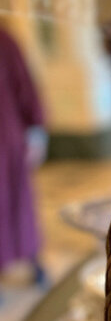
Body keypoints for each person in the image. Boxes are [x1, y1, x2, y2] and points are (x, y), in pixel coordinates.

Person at [0, 27, 46, 288]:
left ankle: (34, 261)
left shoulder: (3, 40)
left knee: (17, 204)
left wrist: (36, 129)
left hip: (6, 141)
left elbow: (24, 86)